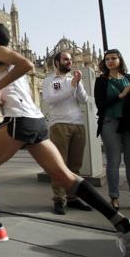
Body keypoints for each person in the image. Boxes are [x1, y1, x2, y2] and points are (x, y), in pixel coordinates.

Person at [0, 24, 130, 257]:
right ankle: (127, 226)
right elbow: (16, 87)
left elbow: (27, 64)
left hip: (20, 121)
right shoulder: (3, 60)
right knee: (65, 176)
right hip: (36, 121)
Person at [94, 49, 130, 214]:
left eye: (113, 58)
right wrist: (123, 94)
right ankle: (114, 197)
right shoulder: (102, 81)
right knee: (113, 161)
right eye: (107, 59)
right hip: (110, 122)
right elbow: (101, 104)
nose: (110, 61)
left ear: (120, 60)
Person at [41, 50, 92, 215]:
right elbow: (50, 100)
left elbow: (84, 100)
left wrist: (77, 85)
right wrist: (71, 87)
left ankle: (73, 198)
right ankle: (59, 200)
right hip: (59, 125)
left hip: (78, 123)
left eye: (70, 59)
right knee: (59, 165)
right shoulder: (49, 80)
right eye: (65, 59)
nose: (69, 62)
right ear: (57, 62)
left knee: (75, 166)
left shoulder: (73, 79)